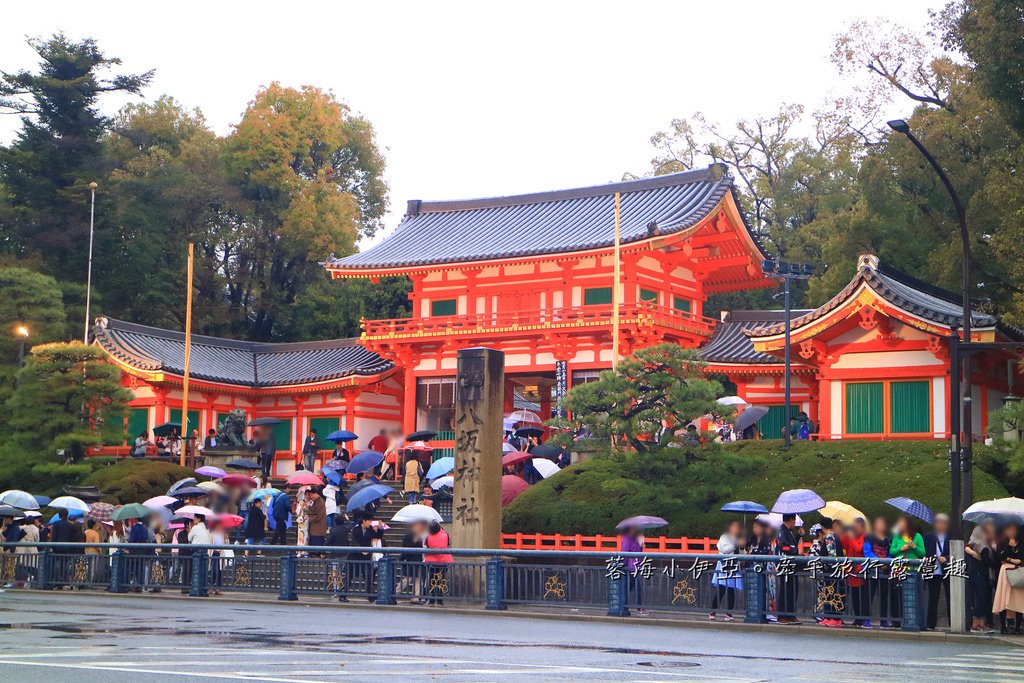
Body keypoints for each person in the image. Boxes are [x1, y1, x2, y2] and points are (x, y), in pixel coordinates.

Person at [965, 519, 998, 633]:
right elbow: (987, 560)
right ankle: (975, 624)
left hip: (984, 574)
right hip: (978, 573)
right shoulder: (980, 544)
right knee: (980, 598)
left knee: (984, 598)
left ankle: (982, 623)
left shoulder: (988, 544)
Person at [993, 521, 1024, 634]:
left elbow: (1021, 558)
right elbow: (1000, 557)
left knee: (1019, 599)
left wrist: (1012, 560)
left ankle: (1017, 627)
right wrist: (1009, 547)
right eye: (1008, 529)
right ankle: (1003, 626)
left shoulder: (1021, 543)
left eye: (1013, 529)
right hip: (1005, 572)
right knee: (1004, 598)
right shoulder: (1002, 543)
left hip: (1019, 572)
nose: (1011, 532)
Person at [710, 520, 744, 621]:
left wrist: (742, 546)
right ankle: (712, 611)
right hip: (724, 565)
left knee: (731, 590)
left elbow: (741, 553)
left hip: (734, 565)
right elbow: (725, 550)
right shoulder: (724, 537)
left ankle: (729, 613)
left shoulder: (739, 538)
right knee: (721, 589)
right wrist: (736, 544)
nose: (736, 529)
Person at [842, 517, 872, 628]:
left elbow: (859, 548)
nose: (855, 529)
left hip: (860, 571)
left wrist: (852, 538)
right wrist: (845, 534)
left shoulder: (865, 536)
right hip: (851, 571)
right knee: (854, 596)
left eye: (857, 527)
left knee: (862, 596)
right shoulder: (851, 536)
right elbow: (844, 545)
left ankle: (863, 618)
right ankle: (857, 618)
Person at [923, 513, 951, 631]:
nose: (940, 525)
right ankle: (931, 624)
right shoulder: (929, 536)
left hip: (947, 570)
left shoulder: (951, 537)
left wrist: (947, 558)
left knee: (951, 597)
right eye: (938, 522)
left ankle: (953, 623)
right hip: (933, 570)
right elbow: (923, 551)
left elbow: (957, 552)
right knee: (933, 598)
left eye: (943, 523)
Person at [866, 517, 895, 629]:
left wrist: (886, 562)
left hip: (885, 570)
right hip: (872, 570)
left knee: (884, 596)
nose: (881, 525)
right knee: (869, 595)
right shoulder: (869, 537)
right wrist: (879, 562)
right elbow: (867, 551)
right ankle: (866, 619)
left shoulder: (887, 539)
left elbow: (890, 553)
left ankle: (883, 620)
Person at [351, 513, 385, 602]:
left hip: (366, 558)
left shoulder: (369, 529)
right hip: (355, 557)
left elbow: (377, 536)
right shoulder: (356, 529)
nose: (370, 523)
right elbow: (354, 542)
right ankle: (343, 595)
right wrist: (361, 549)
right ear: (364, 521)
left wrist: (381, 528)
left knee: (369, 576)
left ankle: (371, 596)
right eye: (369, 521)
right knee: (349, 576)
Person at [776, 513, 800, 624]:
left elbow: (792, 544)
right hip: (784, 564)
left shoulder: (788, 531)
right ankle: (782, 615)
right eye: (794, 520)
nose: (795, 522)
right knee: (785, 590)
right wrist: (793, 549)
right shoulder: (781, 531)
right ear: (790, 519)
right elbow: (784, 547)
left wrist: (799, 536)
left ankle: (791, 614)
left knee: (793, 589)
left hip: (791, 564)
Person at [620, 525, 647, 616]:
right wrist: (623, 564)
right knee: (637, 588)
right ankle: (638, 608)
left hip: (635, 566)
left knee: (628, 588)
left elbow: (638, 552)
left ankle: (623, 606)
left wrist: (641, 545)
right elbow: (624, 552)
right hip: (630, 567)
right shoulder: (627, 539)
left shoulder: (636, 539)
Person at [424, 520, 453, 606]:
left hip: (432, 561)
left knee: (432, 579)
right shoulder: (446, 535)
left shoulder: (428, 537)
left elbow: (427, 545)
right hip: (444, 561)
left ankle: (432, 600)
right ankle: (440, 600)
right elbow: (447, 544)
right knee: (441, 579)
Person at [325, 513, 353, 601]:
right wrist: (347, 519)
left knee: (335, 572)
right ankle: (343, 588)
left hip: (335, 554)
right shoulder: (345, 529)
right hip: (345, 553)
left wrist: (322, 551)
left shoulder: (333, 531)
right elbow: (352, 524)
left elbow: (328, 541)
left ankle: (336, 590)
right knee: (344, 572)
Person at [400, 521, 427, 604]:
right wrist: (414, 541)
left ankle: (416, 597)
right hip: (410, 560)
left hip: (418, 560)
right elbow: (405, 547)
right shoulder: (409, 535)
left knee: (418, 580)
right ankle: (394, 592)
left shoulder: (421, 535)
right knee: (407, 579)